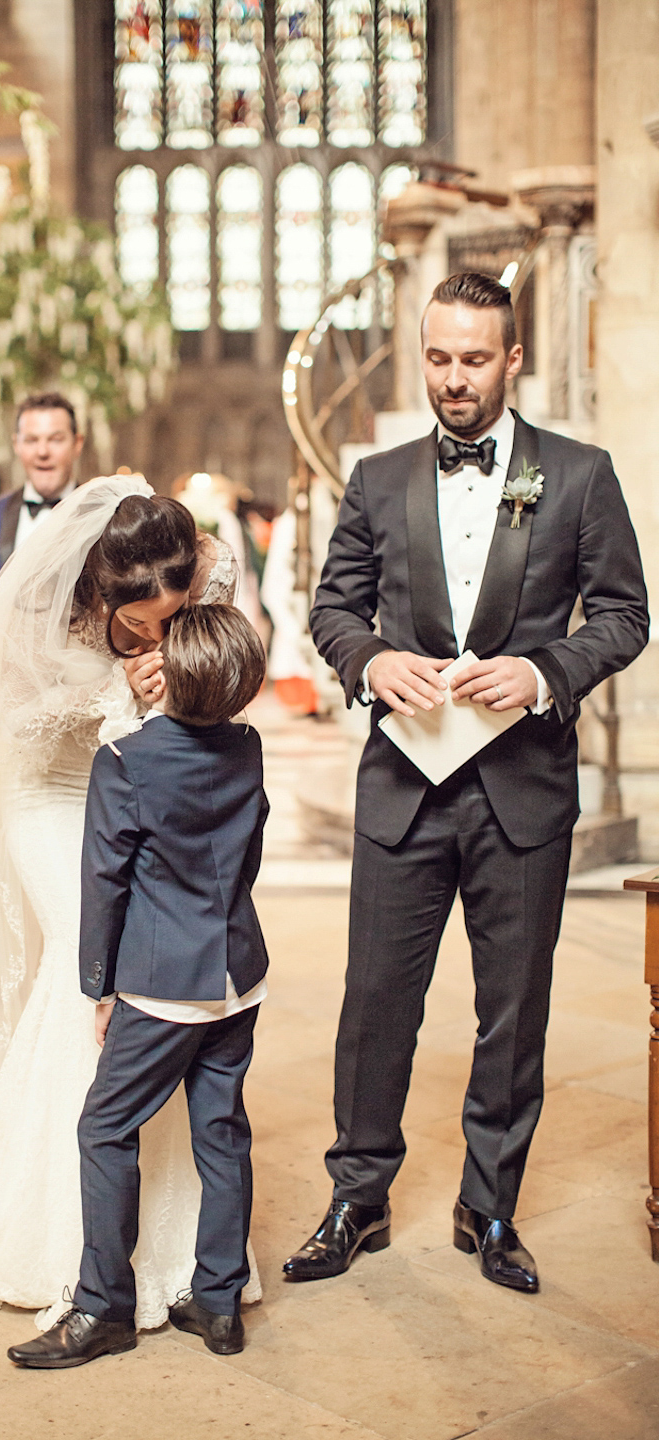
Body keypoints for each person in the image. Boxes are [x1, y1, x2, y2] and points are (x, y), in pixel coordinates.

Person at [283, 272, 649, 1295]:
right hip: (404, 787)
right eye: (438, 357)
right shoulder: (376, 476)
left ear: (513, 359)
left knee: (513, 1009)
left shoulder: (577, 476)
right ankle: (358, 1195)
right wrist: (368, 663)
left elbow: (624, 615)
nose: (453, 379)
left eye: (474, 359)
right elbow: (333, 608)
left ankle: (489, 1205)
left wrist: (542, 675)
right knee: (374, 1004)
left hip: (523, 792)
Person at [0, 474, 257, 1329]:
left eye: (174, 618)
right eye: (141, 625)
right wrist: (119, 693)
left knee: (160, 983)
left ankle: (178, 1246)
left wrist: (184, 687)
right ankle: (63, 1242)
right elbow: (9, 726)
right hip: (52, 789)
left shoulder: (209, 568)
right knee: (89, 970)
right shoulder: (49, 605)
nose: (160, 634)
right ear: (104, 596)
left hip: (148, 780)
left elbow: (229, 662)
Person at [7, 604, 269, 1370]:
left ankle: (102, 1308)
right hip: (237, 975)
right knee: (221, 1131)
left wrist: (101, 987)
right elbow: (248, 851)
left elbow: (105, 886)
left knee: (104, 1128)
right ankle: (218, 1304)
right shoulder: (248, 746)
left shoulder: (126, 759)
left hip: (162, 987)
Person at [0, 392, 84, 686]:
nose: (42, 451)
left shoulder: (105, 516)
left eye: (55, 439)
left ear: (77, 444)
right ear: (17, 445)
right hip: (1, 691)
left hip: (82, 690)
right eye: (31, 440)